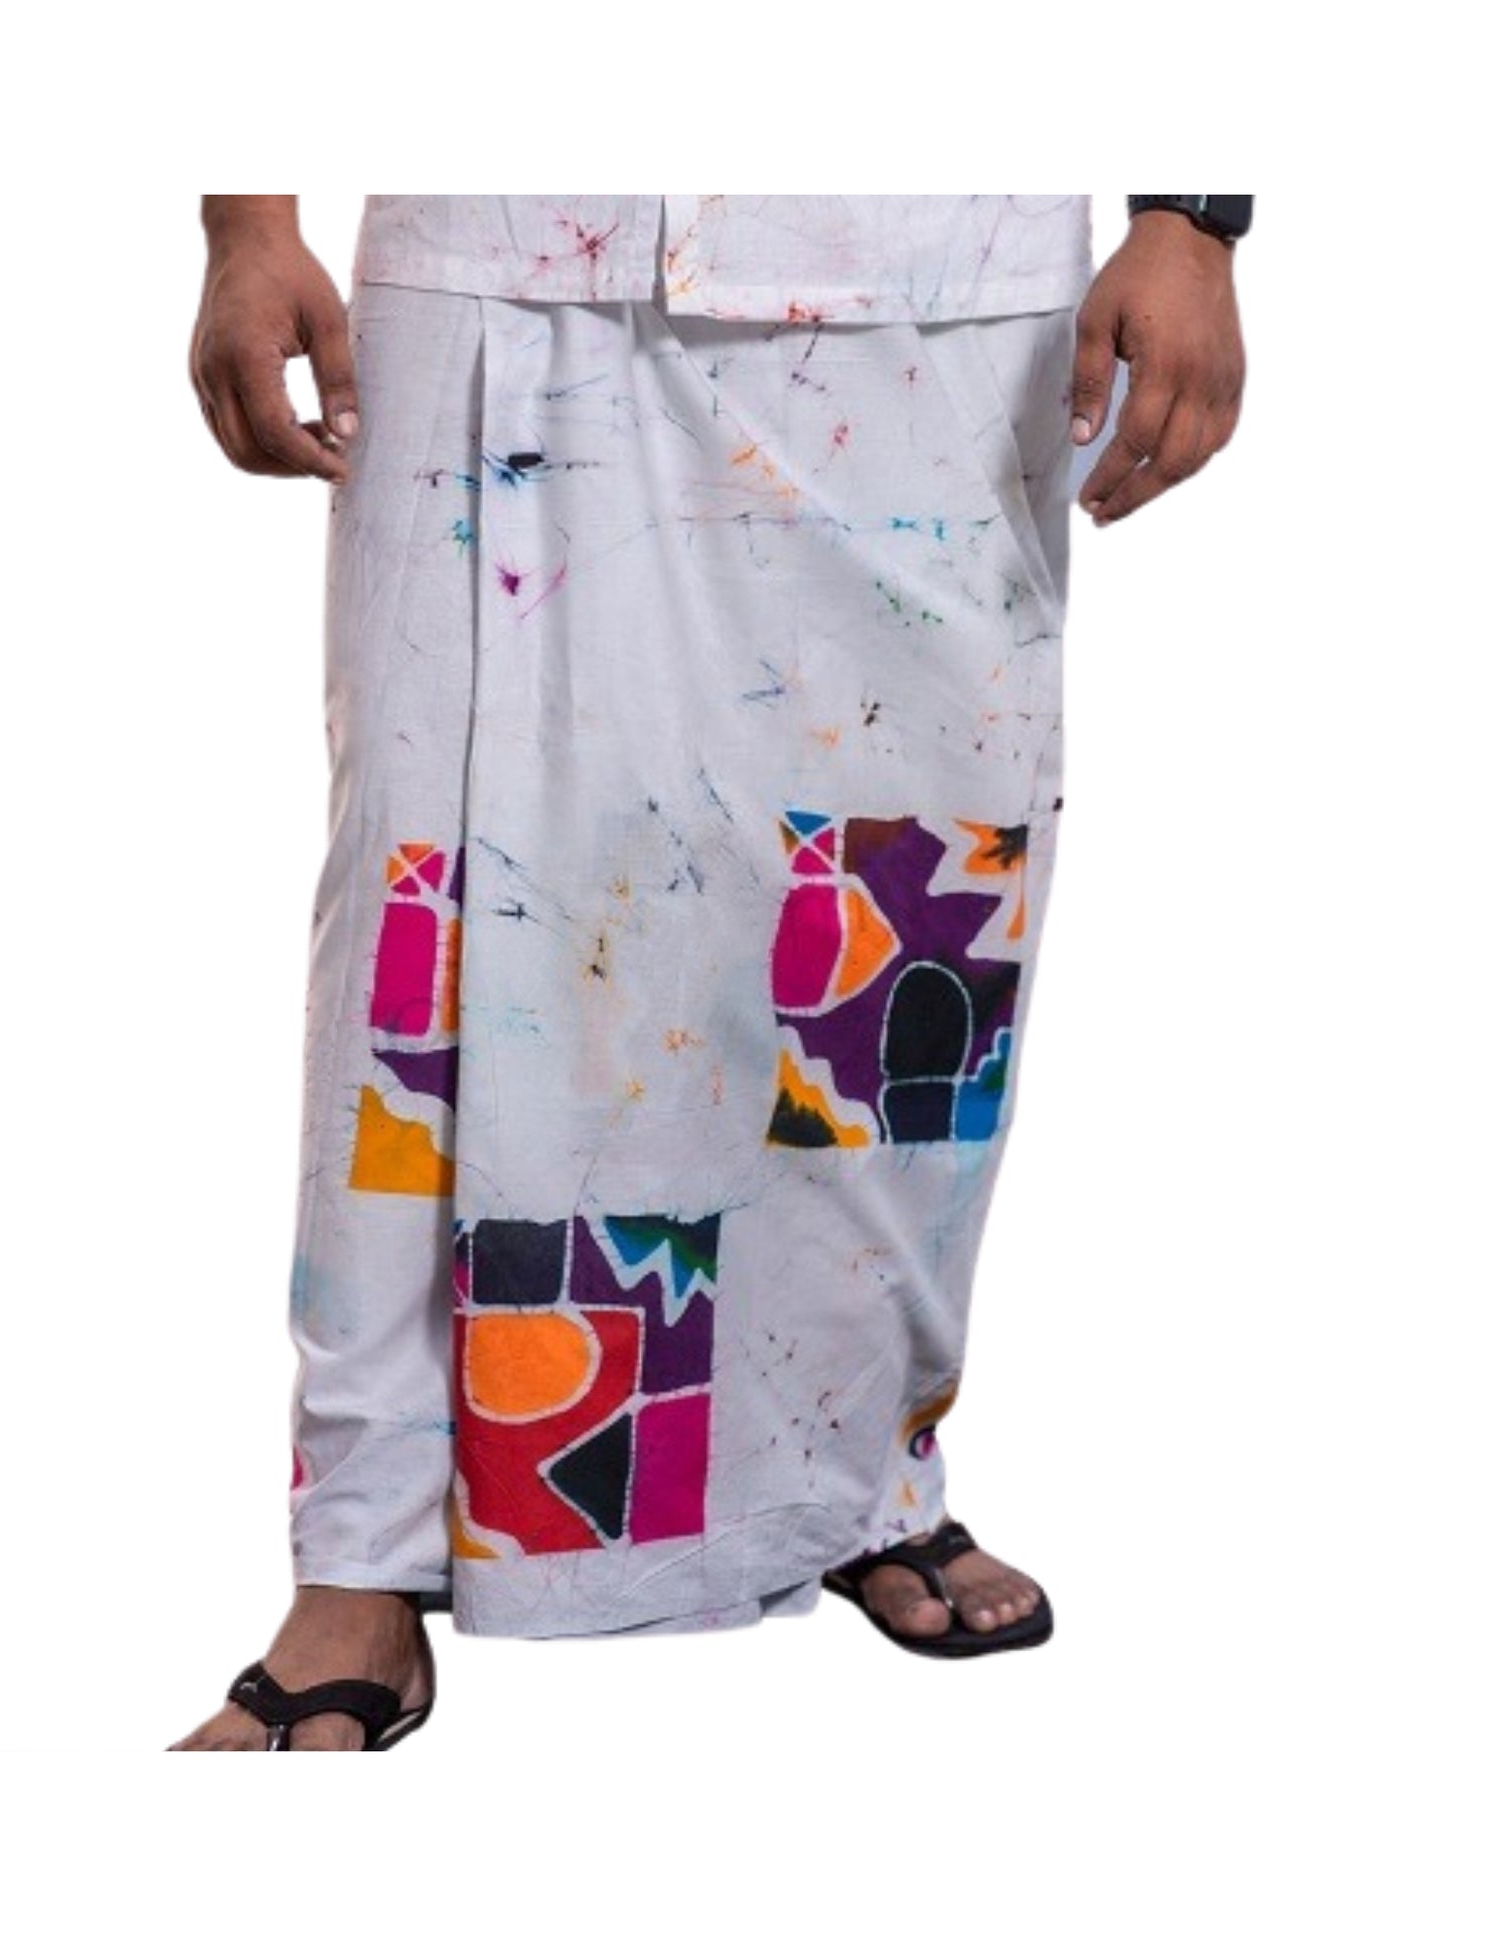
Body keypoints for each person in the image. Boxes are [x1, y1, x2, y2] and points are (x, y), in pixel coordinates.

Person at [171, 193, 1249, 1751]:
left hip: (936, 271)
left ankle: (855, 1475)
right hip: (504, 250)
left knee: (896, 927)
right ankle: (364, 1546)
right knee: (434, 923)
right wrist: (243, 217)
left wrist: (1194, 219)